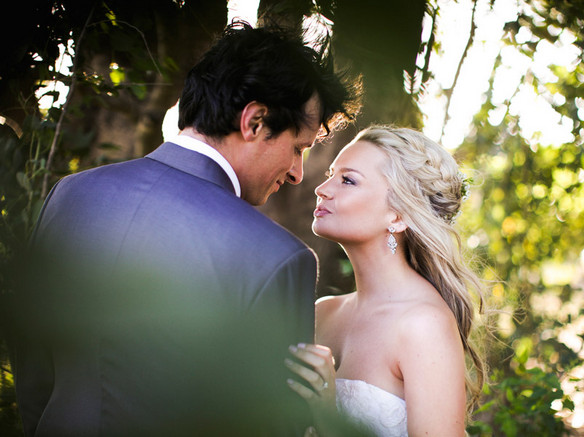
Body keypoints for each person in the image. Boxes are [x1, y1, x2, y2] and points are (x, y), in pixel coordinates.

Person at [14, 20, 359, 436]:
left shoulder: (69, 195)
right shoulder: (277, 258)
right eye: (297, 148)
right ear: (254, 122)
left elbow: (33, 365)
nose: (297, 173)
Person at [285, 126, 486, 437]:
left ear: (397, 215)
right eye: (330, 174)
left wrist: (328, 417)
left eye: (347, 180)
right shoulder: (322, 312)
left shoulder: (423, 324)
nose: (321, 188)